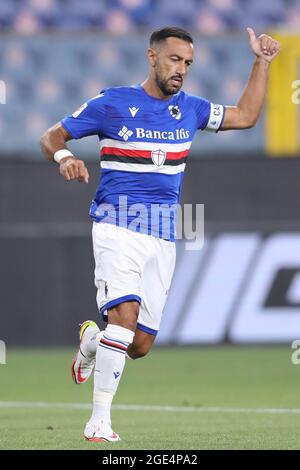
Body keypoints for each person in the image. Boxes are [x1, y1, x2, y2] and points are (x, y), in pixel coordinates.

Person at [40, 26, 280, 442]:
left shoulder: (190, 109)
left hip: (162, 237)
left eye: (188, 63)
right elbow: (52, 135)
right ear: (152, 58)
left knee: (139, 345)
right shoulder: (113, 102)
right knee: (124, 323)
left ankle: (91, 343)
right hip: (117, 226)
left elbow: (245, 116)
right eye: (174, 60)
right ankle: (99, 421)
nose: (181, 70)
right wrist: (64, 157)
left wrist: (262, 61)